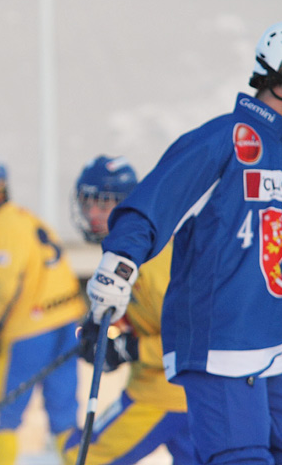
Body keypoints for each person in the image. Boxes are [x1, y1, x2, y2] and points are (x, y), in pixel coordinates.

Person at [85, 18, 282, 465]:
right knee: (242, 458)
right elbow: (155, 199)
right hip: (219, 337)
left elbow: (267, 261)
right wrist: (119, 262)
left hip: (271, 336)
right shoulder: (224, 137)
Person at [59, 155, 193, 465]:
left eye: (104, 204)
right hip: (181, 395)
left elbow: (195, 335)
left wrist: (130, 349)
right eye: (87, 202)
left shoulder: (153, 261)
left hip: (163, 395)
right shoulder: (124, 252)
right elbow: (142, 315)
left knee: (81, 456)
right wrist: (104, 327)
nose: (92, 214)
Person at [0, 156, 86, 465]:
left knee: (2, 411)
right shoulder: (27, 218)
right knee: (64, 411)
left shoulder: (1, 225)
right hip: (67, 322)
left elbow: (5, 283)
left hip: (29, 330)